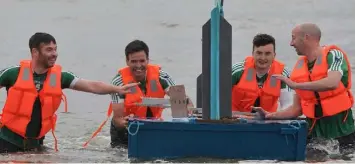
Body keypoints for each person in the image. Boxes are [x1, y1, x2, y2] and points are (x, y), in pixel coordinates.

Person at [0, 32, 138, 153]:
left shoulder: (61, 77)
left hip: (35, 146)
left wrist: (117, 89)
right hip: (6, 143)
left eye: (55, 49)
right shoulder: (13, 74)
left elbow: (92, 86)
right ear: (35, 52)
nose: (54, 54)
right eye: (49, 50)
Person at [267, 23, 355, 153]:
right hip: (314, 137)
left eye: (293, 38)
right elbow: (296, 110)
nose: (291, 43)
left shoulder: (334, 55)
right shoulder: (298, 68)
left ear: (306, 37)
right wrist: (269, 115)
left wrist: (296, 85)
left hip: (342, 133)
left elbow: (332, 82)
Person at [107, 40, 193, 148]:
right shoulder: (117, 83)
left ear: (148, 60)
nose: (138, 66)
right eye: (134, 61)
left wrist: (188, 110)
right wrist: (128, 122)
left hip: (152, 126)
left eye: (142, 61)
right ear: (127, 61)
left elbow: (182, 100)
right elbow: (118, 119)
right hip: (125, 131)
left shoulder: (162, 77)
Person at [231, 33, 293, 114]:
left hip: (267, 121)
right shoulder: (237, 71)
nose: (263, 58)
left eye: (267, 54)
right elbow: (219, 98)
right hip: (236, 120)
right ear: (253, 53)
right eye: (259, 53)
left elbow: (287, 105)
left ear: (274, 55)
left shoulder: (283, 74)